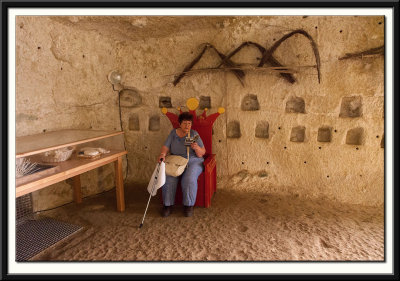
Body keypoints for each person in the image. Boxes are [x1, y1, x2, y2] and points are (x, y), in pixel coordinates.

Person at [158, 112, 206, 217]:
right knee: (168, 176)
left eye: (189, 123)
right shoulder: (173, 134)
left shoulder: (193, 134)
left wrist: (196, 148)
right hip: (177, 161)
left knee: (189, 178)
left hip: (193, 160)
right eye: (185, 123)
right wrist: (162, 154)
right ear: (180, 124)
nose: (187, 126)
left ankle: (188, 206)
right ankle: (167, 205)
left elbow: (202, 152)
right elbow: (166, 146)